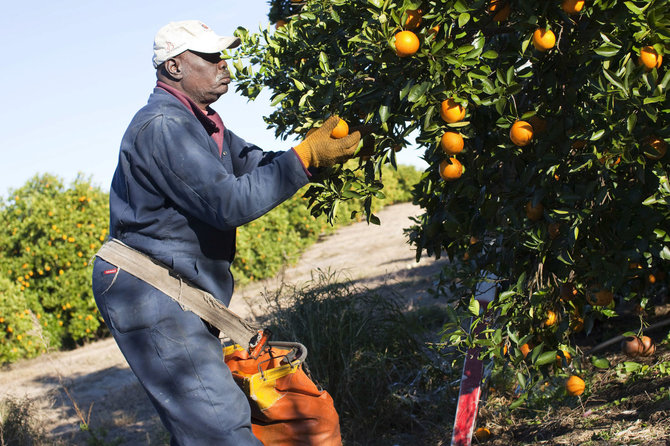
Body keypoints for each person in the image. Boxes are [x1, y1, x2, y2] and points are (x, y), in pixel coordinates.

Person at [91, 20, 361, 445]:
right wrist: (304, 157)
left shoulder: (202, 124)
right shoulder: (163, 125)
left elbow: (257, 164)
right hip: (148, 291)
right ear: (176, 67)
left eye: (223, 55)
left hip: (175, 289)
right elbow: (228, 204)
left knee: (220, 420)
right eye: (211, 57)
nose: (224, 64)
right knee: (220, 427)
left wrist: (319, 159)